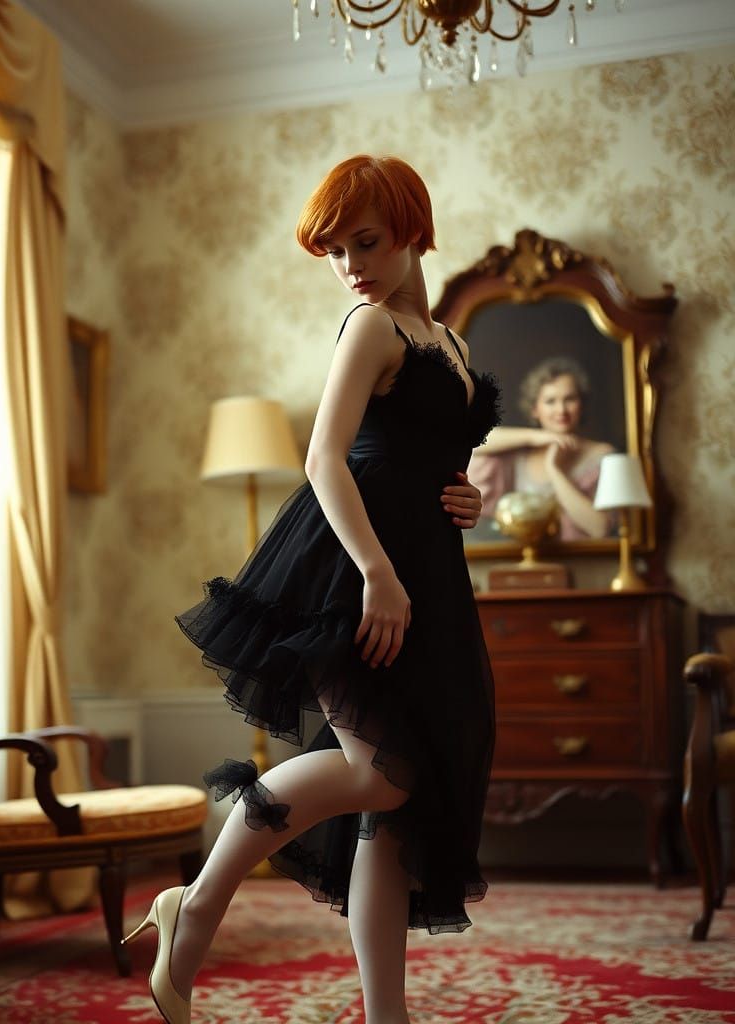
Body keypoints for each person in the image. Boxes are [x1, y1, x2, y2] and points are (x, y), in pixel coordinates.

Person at [122, 155, 501, 1024]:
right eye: (334, 252)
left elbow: (430, 460)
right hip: (352, 568)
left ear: (413, 229)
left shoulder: (452, 344)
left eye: (364, 243)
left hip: (429, 576)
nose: (350, 266)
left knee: (397, 809)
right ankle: (198, 904)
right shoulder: (369, 326)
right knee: (382, 773)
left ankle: (385, 1016)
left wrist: (468, 497)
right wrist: (376, 573)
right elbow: (323, 458)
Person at [467, 357, 614, 541]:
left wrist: (555, 470)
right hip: (520, 556)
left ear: (581, 405)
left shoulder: (602, 455)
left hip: (582, 557)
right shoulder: (520, 453)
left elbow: (600, 529)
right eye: (550, 401)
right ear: (535, 409)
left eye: (569, 399)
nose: (561, 410)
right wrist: (534, 437)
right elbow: (474, 441)